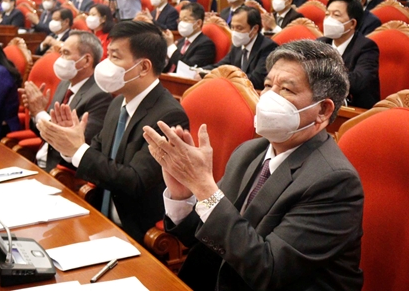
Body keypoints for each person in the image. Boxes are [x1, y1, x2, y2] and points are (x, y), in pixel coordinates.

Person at [145, 40, 364, 291]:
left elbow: (268, 270)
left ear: (323, 110)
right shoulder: (249, 151)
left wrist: (204, 187)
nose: (269, 96)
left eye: (286, 89)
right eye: (268, 85)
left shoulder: (334, 181)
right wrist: (184, 195)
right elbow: (210, 235)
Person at [37, 21, 190, 243]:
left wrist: (79, 150)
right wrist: (70, 146)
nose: (106, 64)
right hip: (100, 217)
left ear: (143, 67)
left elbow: (135, 181)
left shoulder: (168, 115)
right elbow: (97, 156)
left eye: (115, 57)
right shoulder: (117, 102)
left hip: (137, 231)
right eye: (108, 55)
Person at [20, 31, 112, 171]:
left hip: (61, 172)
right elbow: (43, 135)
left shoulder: (100, 96)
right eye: (61, 53)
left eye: (66, 53)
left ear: (86, 60)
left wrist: (39, 113)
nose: (60, 59)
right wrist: (35, 113)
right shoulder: (64, 84)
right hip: (40, 161)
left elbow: (75, 147)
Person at [318, 0, 380, 109]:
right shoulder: (320, 43)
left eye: (336, 15)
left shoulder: (366, 47)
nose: (329, 20)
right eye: (327, 14)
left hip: (356, 109)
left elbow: (359, 82)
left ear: (352, 23)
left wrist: (322, 73)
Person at [206, 6, 278, 90]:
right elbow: (220, 66)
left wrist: (228, 78)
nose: (234, 32)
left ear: (255, 29)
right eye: (232, 27)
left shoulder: (268, 48)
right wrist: (200, 71)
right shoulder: (238, 45)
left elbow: (257, 80)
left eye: (239, 28)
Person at [163, 2, 216, 73]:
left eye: (185, 20)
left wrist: (171, 47)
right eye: (180, 20)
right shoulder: (180, 41)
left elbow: (189, 68)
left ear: (198, 23)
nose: (181, 24)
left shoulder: (206, 45)